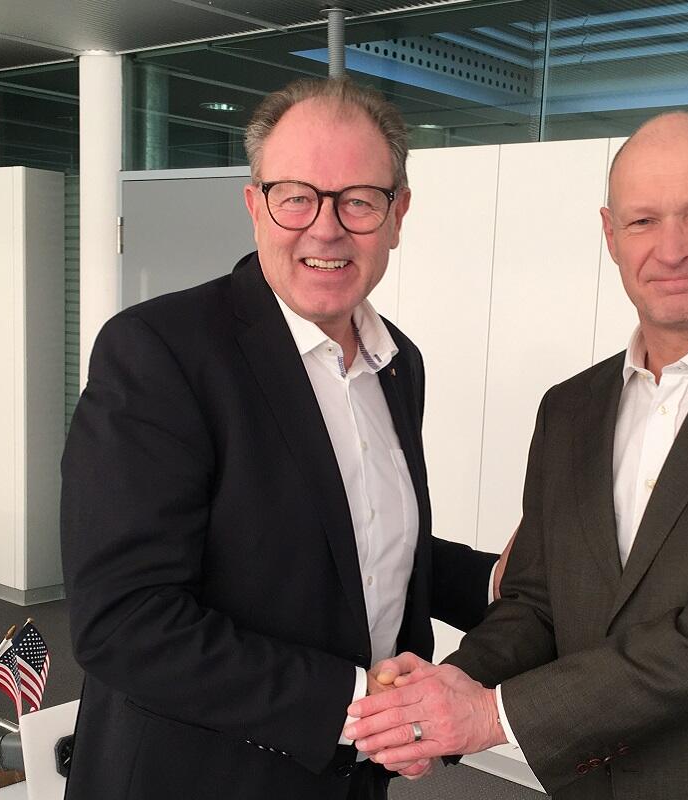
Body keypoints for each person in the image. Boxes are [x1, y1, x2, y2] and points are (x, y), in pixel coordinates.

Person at [346, 111, 688, 800]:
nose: (671, 249)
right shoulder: (570, 409)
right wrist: (456, 684)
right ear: (611, 235)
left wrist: (487, 714)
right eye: (643, 221)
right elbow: (536, 602)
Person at [59, 78, 501, 800]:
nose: (325, 229)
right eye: (295, 196)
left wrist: (494, 583)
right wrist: (361, 704)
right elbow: (125, 620)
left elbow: (355, 543)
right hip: (196, 780)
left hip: (351, 780)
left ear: (397, 214)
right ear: (253, 205)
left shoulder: (399, 363)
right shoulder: (160, 352)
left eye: (358, 200)